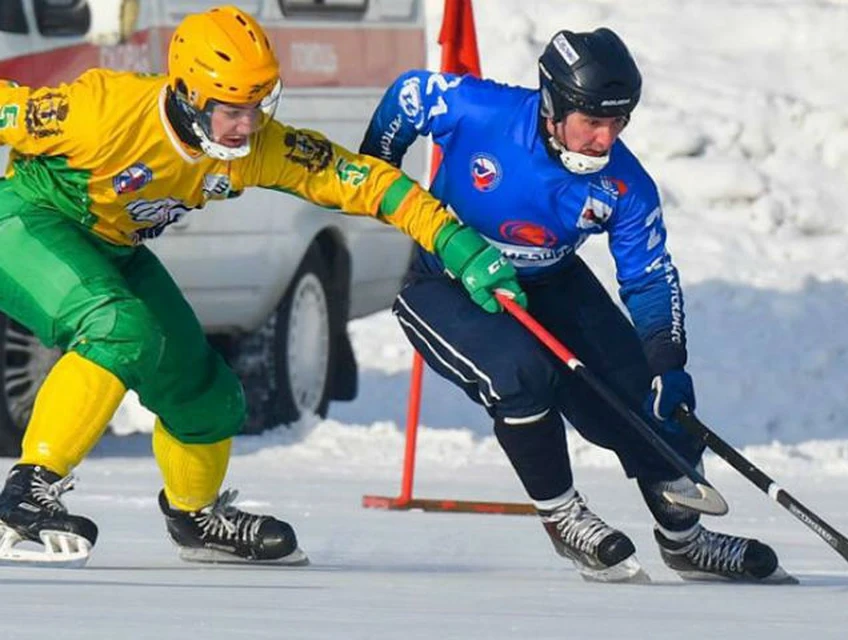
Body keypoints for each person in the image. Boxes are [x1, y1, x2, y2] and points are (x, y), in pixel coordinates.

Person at [0, 5, 523, 567]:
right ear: (187, 95)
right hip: (26, 222)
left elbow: (362, 181)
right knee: (121, 329)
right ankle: (28, 491)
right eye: (231, 111)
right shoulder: (102, 111)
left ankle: (195, 517)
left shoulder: (256, 147)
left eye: (259, 106)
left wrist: (454, 241)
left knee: (206, 392)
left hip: (110, 244)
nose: (247, 126)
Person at [360, 28, 795, 584]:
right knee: (521, 374)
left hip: (550, 280)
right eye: (592, 121)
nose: (603, 138)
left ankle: (686, 541)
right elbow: (409, 94)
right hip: (443, 281)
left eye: (618, 122)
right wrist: (377, 170)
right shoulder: (483, 110)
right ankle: (564, 516)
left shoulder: (626, 184)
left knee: (647, 395)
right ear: (553, 107)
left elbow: (650, 275)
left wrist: (668, 359)